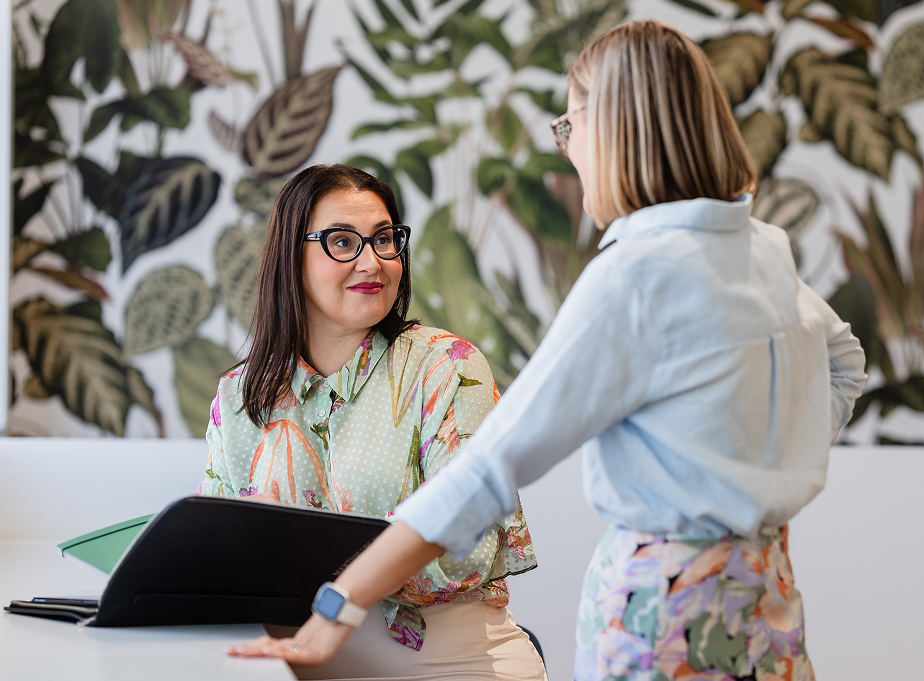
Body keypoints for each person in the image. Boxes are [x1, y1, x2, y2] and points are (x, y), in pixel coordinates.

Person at [230, 21, 868, 681]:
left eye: (570, 128)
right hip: (767, 591)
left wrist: (339, 600)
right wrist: (765, 470)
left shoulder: (634, 275)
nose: (568, 153)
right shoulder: (760, 247)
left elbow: (489, 468)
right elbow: (845, 364)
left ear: (618, 130)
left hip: (664, 610)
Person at [202, 164, 546, 681]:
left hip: (449, 663)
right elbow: (216, 560)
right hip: (288, 669)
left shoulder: (447, 367)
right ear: (289, 257)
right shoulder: (237, 398)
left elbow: (467, 549)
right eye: (343, 242)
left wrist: (305, 564)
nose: (373, 262)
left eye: (385, 240)